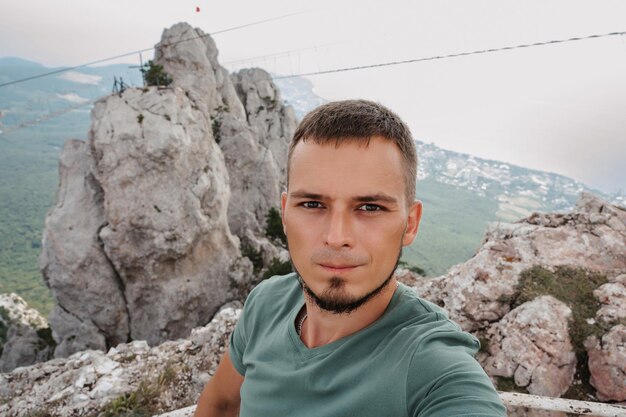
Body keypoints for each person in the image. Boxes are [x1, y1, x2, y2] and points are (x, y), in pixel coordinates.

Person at [194, 100, 506, 417]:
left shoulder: (430, 366)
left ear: (410, 224)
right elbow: (221, 405)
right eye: (313, 204)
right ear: (285, 213)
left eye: (370, 207)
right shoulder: (265, 304)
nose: (337, 236)